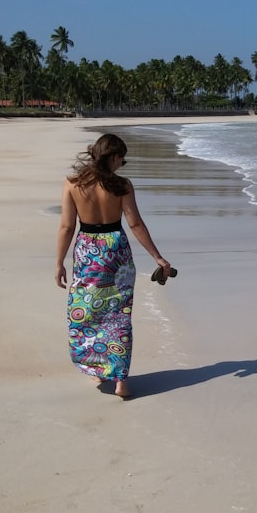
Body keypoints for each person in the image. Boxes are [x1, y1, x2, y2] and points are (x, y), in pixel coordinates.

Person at [55, 133, 171, 398]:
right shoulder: (122, 185)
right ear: (114, 156)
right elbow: (135, 224)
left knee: (86, 310)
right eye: (122, 158)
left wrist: (59, 262)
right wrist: (158, 257)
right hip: (116, 252)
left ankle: (99, 366)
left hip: (87, 252)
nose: (123, 163)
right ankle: (120, 380)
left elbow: (66, 226)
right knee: (118, 316)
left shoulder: (73, 184)